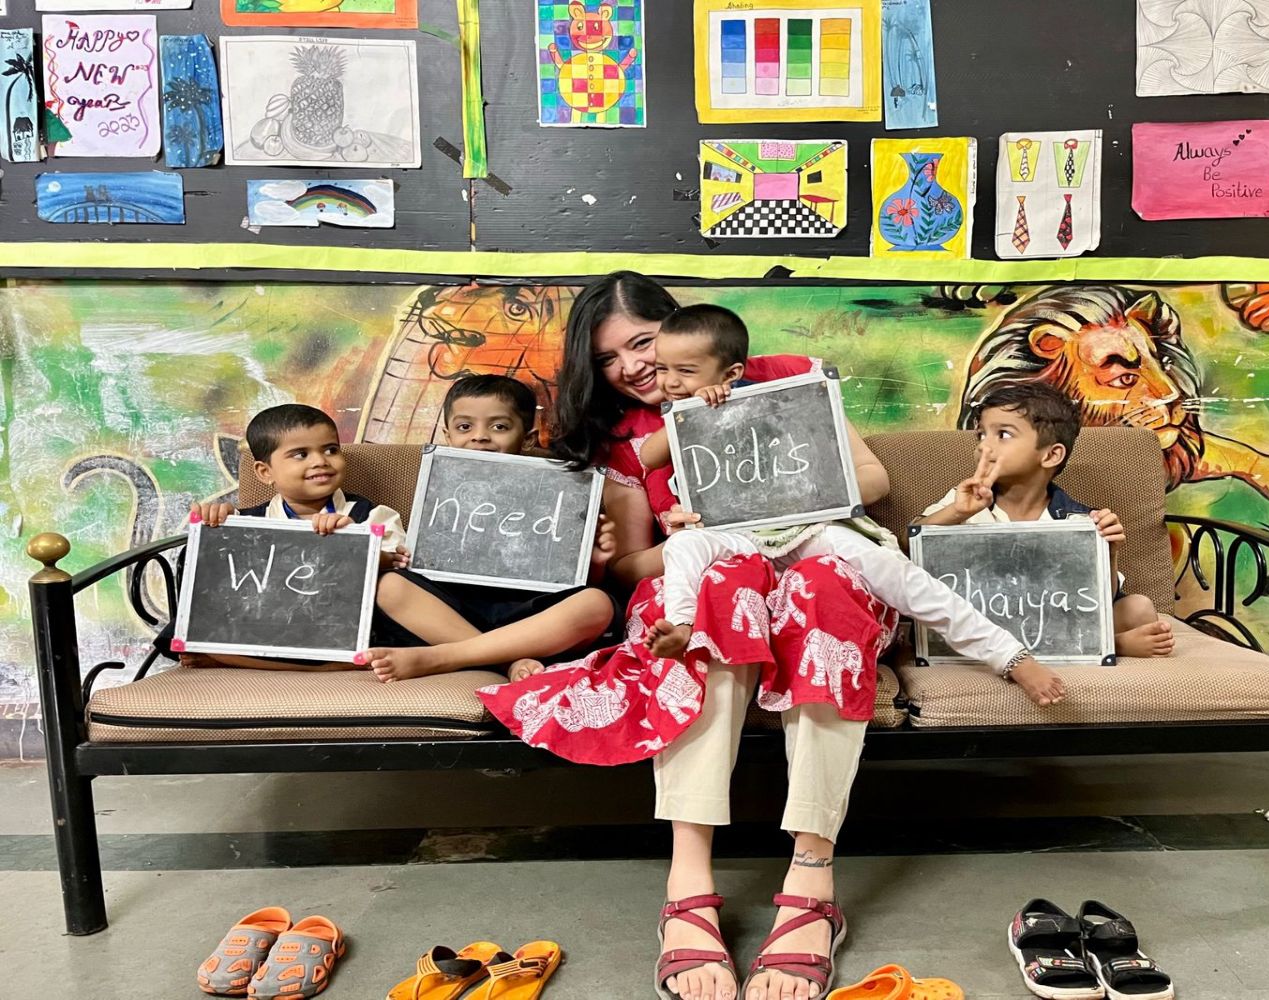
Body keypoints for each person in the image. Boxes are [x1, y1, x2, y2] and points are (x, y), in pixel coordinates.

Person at [473, 272, 953, 1000]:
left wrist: (774, 505)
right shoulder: (623, 441)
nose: (633, 367)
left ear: (682, 330)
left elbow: (874, 479)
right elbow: (635, 568)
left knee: (823, 587)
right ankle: (688, 879)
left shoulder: (783, 378)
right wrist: (685, 540)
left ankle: (812, 880)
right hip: (709, 586)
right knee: (722, 588)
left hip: (815, 572)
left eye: (643, 343)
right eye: (608, 359)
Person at [637, 303, 1066, 704]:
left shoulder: (774, 400)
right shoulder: (681, 416)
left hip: (805, 529)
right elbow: (650, 457)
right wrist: (688, 413)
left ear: (731, 373)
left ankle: (1008, 655)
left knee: (896, 573)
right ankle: (682, 626)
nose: (669, 382)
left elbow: (848, 470)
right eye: (661, 369)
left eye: (685, 371)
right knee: (683, 545)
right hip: (738, 536)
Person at [359, 374, 618, 682]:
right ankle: (507, 661)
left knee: (596, 604)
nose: (480, 437)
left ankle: (444, 657)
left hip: (530, 615)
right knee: (388, 585)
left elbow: (572, 580)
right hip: (453, 613)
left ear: (528, 438)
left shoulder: (560, 491)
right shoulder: (436, 484)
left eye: (499, 427)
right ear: (447, 435)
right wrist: (402, 557)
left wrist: (595, 562)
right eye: (465, 427)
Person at [916, 381, 1175, 658]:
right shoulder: (965, 502)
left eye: (1003, 434)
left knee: (1138, 608)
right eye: (981, 435)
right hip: (980, 622)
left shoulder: (1079, 520)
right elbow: (911, 543)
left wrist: (1107, 553)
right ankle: (1115, 644)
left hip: (1051, 622)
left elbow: (1098, 601)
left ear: (1051, 455)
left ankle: (1084, 645)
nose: (984, 447)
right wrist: (958, 512)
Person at [159, 402, 412, 672]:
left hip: (340, 624)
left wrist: (352, 540)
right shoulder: (248, 523)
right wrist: (217, 531)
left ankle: (317, 667)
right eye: (301, 454)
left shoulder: (370, 516)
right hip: (271, 624)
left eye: (331, 450)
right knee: (190, 620)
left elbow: (400, 565)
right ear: (265, 472)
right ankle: (309, 664)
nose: (320, 461)